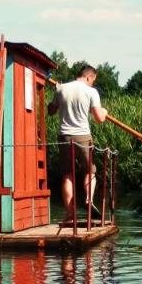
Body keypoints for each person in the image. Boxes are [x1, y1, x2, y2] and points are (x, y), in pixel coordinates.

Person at [48, 64, 108, 222]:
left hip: (64, 136)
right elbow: (99, 118)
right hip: (82, 135)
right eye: (93, 80)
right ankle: (89, 199)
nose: (92, 83)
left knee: (67, 174)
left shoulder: (61, 89)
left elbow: (51, 111)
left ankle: (69, 213)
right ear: (89, 77)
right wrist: (105, 112)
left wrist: (57, 94)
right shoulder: (91, 91)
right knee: (90, 171)